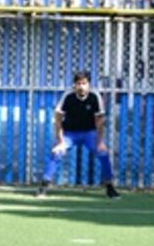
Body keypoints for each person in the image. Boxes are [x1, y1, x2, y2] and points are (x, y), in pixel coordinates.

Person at [37, 70, 120, 199]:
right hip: (70, 134)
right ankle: (43, 187)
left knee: (103, 154)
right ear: (74, 85)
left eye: (84, 83)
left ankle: (110, 187)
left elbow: (100, 121)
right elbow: (58, 119)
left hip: (89, 133)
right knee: (56, 153)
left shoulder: (95, 96)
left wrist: (100, 142)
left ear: (89, 84)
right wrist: (60, 142)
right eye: (78, 83)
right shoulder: (68, 96)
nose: (81, 86)